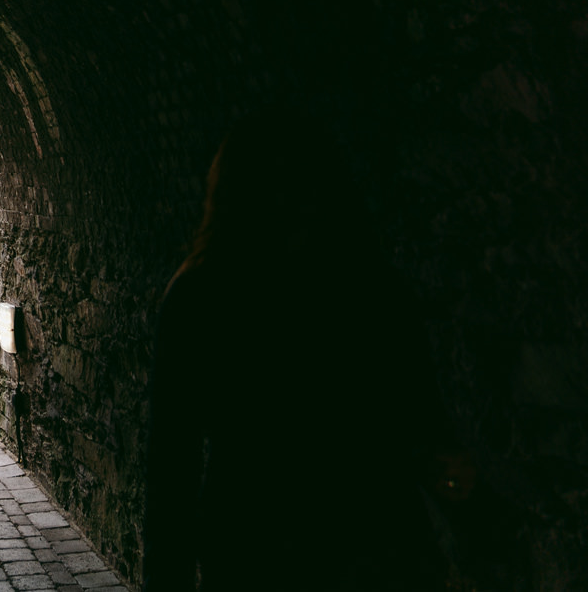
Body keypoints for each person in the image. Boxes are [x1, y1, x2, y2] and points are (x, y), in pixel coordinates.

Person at [143, 109, 459, 591]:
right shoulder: (369, 286)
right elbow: (421, 421)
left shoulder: (200, 295)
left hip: (253, 540)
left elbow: (173, 471)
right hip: (373, 537)